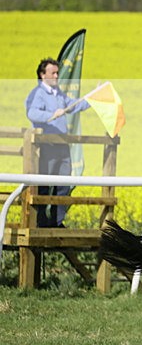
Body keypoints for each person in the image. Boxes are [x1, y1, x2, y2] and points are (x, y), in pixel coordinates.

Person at [25, 58, 90, 228]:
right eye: (53, 73)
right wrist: (51, 115)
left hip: (62, 145)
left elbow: (73, 106)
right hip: (47, 145)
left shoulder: (58, 93)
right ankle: (42, 222)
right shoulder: (37, 94)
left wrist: (93, 98)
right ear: (42, 75)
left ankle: (57, 221)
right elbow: (32, 113)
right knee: (46, 185)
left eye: (57, 73)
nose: (56, 76)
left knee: (63, 185)